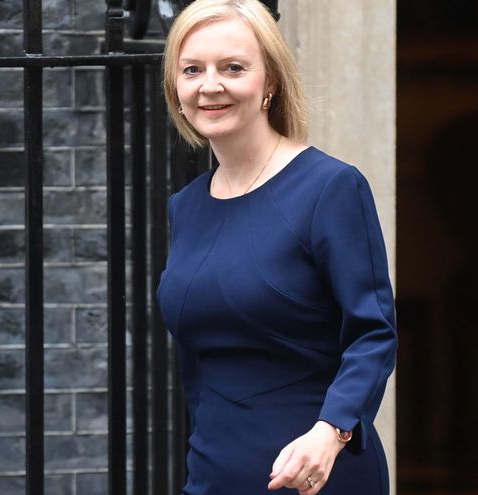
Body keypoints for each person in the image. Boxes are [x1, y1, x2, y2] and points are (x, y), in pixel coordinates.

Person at [156, 1, 398, 493]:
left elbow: (374, 333)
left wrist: (331, 433)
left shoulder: (330, 188)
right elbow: (197, 365)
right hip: (214, 473)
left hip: (317, 474)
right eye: (192, 70)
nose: (210, 85)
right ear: (175, 89)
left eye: (233, 68)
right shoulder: (186, 207)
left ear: (270, 83)